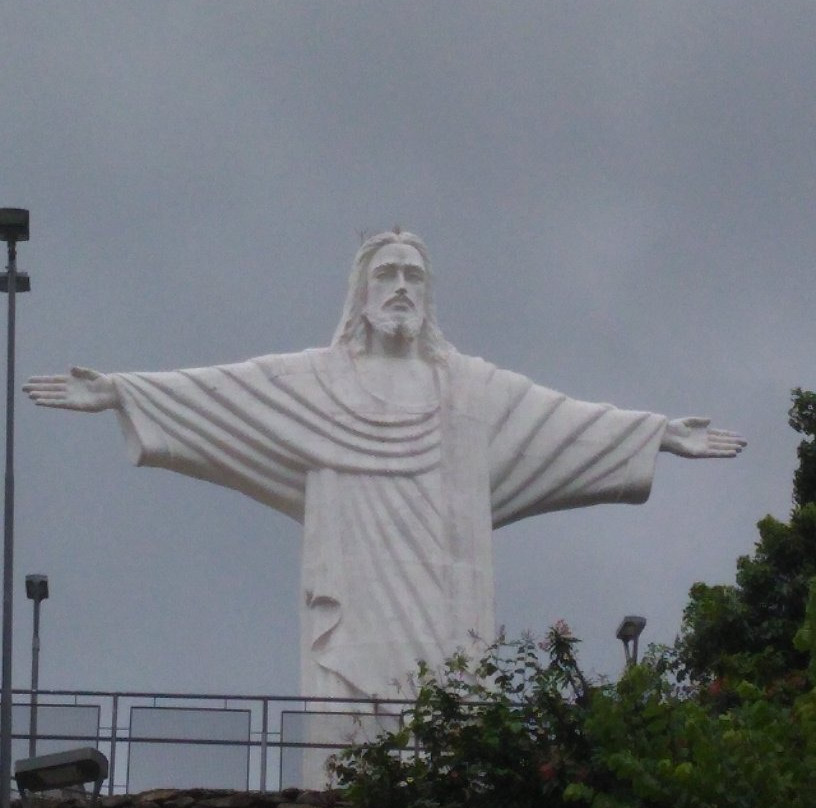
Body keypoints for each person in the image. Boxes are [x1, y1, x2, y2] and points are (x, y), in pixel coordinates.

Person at [24, 228, 744, 731]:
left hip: (444, 603)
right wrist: (123, 393)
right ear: (361, 292)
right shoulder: (315, 381)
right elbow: (225, 395)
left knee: (449, 722)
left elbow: (560, 422)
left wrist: (656, 434)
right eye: (387, 275)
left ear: (428, 296)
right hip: (356, 596)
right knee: (348, 734)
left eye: (413, 277)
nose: (400, 287)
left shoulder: (469, 390)